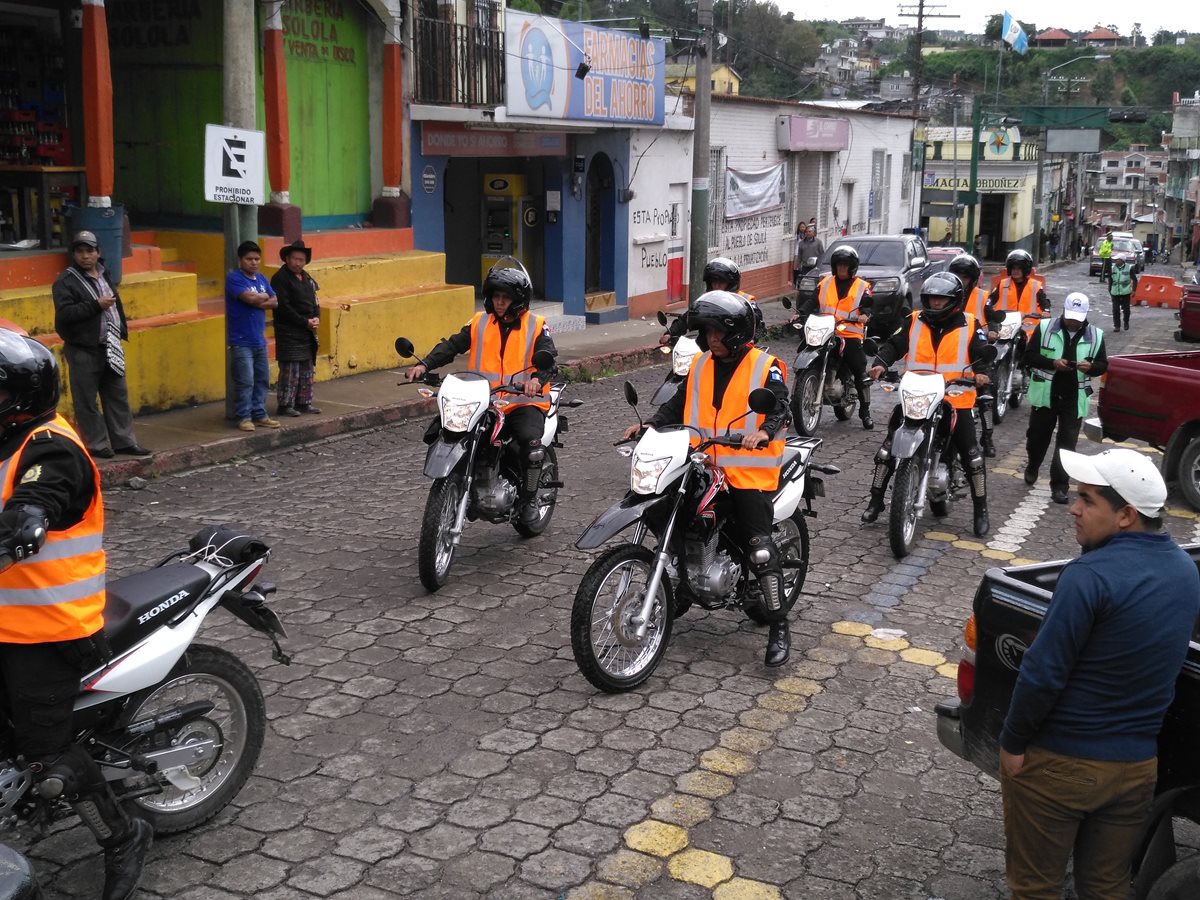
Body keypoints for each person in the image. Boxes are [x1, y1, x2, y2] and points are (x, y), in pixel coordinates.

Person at [999, 448, 1199, 900]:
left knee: (1036, 888)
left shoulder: (1088, 576)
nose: (1074, 509)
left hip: (1063, 764)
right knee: (1106, 887)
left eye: (1088, 500)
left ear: (1126, 514)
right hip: (1135, 771)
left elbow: (1042, 673)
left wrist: (1012, 743)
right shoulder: (1186, 572)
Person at [0, 331, 153, 900]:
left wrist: (25, 521)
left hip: (49, 627)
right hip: (6, 622)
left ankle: (123, 833)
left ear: (17, 395)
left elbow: (36, 501)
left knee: (46, 752)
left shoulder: (50, 448)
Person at [624, 291, 793, 666]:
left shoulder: (767, 366)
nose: (712, 338)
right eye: (707, 331)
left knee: (759, 548)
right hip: (703, 465)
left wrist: (764, 430)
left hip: (748, 472)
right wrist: (650, 424)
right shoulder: (700, 364)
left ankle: (779, 623)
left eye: (718, 331)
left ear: (736, 332)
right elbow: (678, 402)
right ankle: (684, 582)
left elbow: (781, 405)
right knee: (663, 510)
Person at [405, 265, 556, 527]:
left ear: (518, 299)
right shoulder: (479, 322)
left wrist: (535, 380)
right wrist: (425, 365)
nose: (499, 302)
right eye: (496, 296)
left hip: (522, 401)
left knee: (530, 443)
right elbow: (452, 346)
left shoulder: (537, 325)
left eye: (505, 297)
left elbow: (548, 359)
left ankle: (529, 499)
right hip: (484, 399)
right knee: (446, 427)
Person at [863, 273, 992, 536]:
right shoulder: (913, 320)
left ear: (954, 301)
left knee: (971, 454)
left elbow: (981, 352)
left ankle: (981, 508)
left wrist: (981, 371)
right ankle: (875, 501)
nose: (935, 304)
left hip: (955, 397)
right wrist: (880, 364)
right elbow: (894, 345)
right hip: (916, 395)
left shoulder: (970, 323)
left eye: (941, 299)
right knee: (887, 450)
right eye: (932, 299)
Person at [51, 231, 151, 460]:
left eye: (90, 251)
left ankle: (124, 442)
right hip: (83, 349)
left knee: (118, 395)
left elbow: (116, 308)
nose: (85, 256)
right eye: (80, 252)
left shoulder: (106, 273)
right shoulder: (66, 281)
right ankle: (96, 444)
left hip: (111, 346)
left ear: (98, 252)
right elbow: (65, 314)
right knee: (86, 400)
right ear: (74, 254)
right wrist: (96, 305)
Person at [1023, 292, 1108, 505]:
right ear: (1064, 312)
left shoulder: (1096, 335)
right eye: (1070, 317)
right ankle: (1033, 465)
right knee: (1036, 438)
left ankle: (1059, 485)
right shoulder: (1044, 328)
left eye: (1077, 319)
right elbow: (1029, 356)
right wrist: (1052, 363)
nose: (1072, 322)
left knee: (1067, 444)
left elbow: (1103, 365)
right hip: (1046, 396)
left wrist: (1092, 367)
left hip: (1074, 397)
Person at [792, 245, 875, 430]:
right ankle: (795, 401)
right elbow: (812, 301)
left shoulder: (863, 286)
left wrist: (864, 314)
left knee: (858, 367)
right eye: (839, 265)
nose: (842, 269)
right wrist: (801, 313)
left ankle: (865, 411)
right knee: (804, 349)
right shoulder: (825, 283)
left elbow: (868, 305)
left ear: (852, 267)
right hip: (824, 328)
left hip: (849, 331)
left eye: (845, 266)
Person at [948, 254, 1004, 458]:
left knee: (985, 393)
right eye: (957, 275)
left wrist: (993, 330)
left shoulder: (982, 296)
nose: (961, 280)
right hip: (950, 354)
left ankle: (987, 437)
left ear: (972, 279)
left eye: (965, 276)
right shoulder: (944, 293)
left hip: (977, 352)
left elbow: (992, 316)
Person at [225, 241, 281, 432]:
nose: (254, 262)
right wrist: (261, 298)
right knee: (245, 380)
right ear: (241, 260)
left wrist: (259, 299)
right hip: (241, 341)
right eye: (249, 259)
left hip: (259, 339)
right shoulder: (234, 278)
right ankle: (244, 416)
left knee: (262, 379)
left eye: (257, 259)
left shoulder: (262, 279)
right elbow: (249, 298)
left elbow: (275, 302)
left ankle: (259, 414)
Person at [269, 239, 322, 417]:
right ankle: (285, 405)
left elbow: (315, 301)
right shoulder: (280, 278)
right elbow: (284, 307)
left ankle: (303, 402)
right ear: (287, 259)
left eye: (301, 259)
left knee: (307, 369)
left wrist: (316, 317)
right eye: (294, 259)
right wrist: (303, 321)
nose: (298, 263)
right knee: (290, 370)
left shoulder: (307, 278)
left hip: (307, 331)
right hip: (288, 331)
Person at [660, 257, 764, 346]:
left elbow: (758, 323)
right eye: (714, 282)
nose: (717, 286)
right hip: (706, 348)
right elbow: (687, 318)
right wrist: (670, 334)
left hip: (735, 350)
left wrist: (752, 339)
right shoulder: (707, 301)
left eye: (721, 282)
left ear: (731, 283)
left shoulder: (745, 301)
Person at [1108, 254, 1136, 332]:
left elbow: (1135, 279)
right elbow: (1110, 279)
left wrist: (1134, 290)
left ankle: (1126, 322)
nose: (1115, 261)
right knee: (1115, 309)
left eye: (1117, 259)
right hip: (1115, 292)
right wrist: (1110, 289)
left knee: (1126, 309)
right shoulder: (1112, 268)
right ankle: (1117, 326)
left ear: (1122, 260)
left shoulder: (1129, 268)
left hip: (1125, 292)